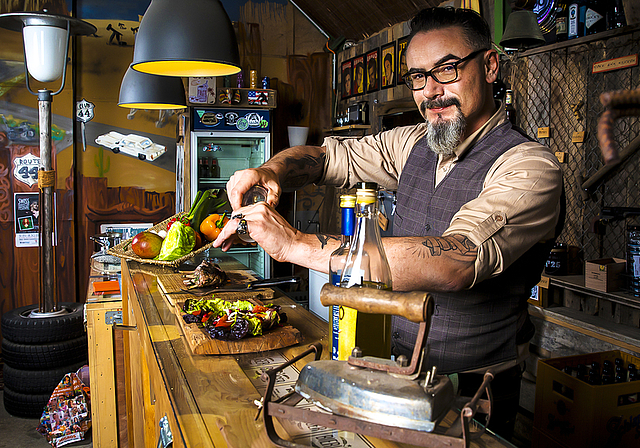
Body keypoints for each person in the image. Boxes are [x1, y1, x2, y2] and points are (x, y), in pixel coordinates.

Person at [214, 7, 563, 440]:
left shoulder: (530, 166)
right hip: (390, 372)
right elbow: (328, 158)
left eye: (447, 70)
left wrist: (295, 247)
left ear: (489, 65)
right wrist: (271, 171)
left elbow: (458, 260)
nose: (431, 92)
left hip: (470, 395)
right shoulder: (415, 142)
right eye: (418, 77)